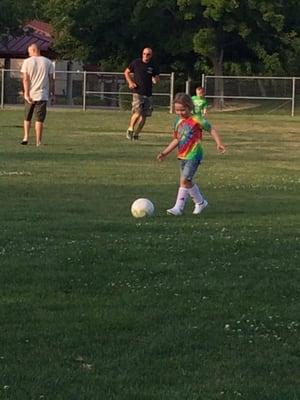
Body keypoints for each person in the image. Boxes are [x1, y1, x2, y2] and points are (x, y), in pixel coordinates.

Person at [157, 93, 226, 216]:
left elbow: (211, 129)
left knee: (184, 180)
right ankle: (200, 203)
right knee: (186, 182)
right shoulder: (178, 122)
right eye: (177, 110)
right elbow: (177, 139)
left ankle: (178, 208)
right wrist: (165, 153)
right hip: (182, 156)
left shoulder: (196, 119)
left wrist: (219, 143)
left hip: (194, 155)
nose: (180, 112)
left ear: (189, 107)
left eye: (183, 110)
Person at [21, 43, 54, 146]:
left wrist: (26, 94)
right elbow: (51, 80)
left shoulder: (27, 62)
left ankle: (26, 137)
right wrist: (51, 92)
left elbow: (25, 79)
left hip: (30, 94)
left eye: (29, 51)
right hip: (42, 94)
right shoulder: (48, 62)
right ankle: (38, 142)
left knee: (27, 117)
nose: (28, 53)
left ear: (34, 50)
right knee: (39, 119)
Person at [124, 47, 159, 140]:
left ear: (151, 56)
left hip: (148, 93)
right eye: (144, 53)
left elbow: (156, 78)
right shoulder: (136, 63)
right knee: (138, 113)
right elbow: (126, 72)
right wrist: (130, 83)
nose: (145, 56)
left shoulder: (153, 66)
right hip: (138, 92)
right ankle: (130, 129)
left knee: (144, 116)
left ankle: (136, 133)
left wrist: (155, 79)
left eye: (148, 54)